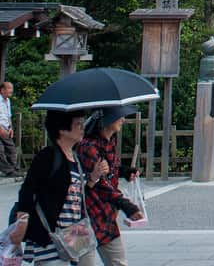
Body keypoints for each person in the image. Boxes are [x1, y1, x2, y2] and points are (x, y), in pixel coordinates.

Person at [10, 109, 97, 265]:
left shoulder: (75, 158)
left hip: (73, 234)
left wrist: (93, 179)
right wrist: (21, 222)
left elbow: (77, 196)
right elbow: (27, 191)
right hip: (51, 235)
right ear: (62, 129)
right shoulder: (48, 156)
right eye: (78, 124)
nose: (82, 128)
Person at [77, 106, 144, 266]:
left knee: (118, 262)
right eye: (119, 116)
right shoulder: (88, 146)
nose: (123, 119)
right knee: (85, 264)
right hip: (84, 215)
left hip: (105, 214)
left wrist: (125, 172)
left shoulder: (109, 141)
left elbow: (110, 170)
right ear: (106, 120)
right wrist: (126, 205)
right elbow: (101, 185)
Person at [0, 81, 18, 176]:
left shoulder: (7, 101)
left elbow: (8, 115)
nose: (11, 90)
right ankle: (7, 170)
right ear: (2, 90)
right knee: (0, 150)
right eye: (9, 88)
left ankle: (13, 169)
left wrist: (10, 127)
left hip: (6, 128)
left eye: (12, 88)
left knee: (11, 149)